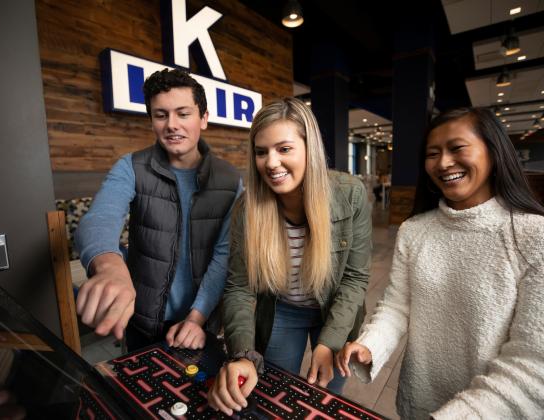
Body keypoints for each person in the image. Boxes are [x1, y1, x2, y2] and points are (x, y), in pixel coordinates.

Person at [336, 107, 544, 419]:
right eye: (433, 153)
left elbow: (532, 362)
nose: (444, 163)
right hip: (418, 405)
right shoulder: (415, 230)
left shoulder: (533, 236)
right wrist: (371, 345)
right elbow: (397, 306)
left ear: (494, 151)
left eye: (457, 148)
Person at [208, 98, 372, 416]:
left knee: (325, 399)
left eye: (284, 149)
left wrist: (329, 343)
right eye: (261, 152)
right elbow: (239, 287)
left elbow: (355, 278)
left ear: (309, 149)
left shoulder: (350, 193)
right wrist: (243, 354)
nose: (270, 163)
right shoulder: (247, 209)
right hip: (283, 311)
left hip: (335, 313)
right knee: (276, 395)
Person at [75, 68, 241, 351]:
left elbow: (224, 256)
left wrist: (196, 319)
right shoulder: (131, 166)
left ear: (203, 119)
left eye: (183, 114)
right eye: (161, 115)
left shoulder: (230, 180)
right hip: (143, 320)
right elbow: (101, 217)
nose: (171, 125)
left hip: (202, 320)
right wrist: (109, 266)